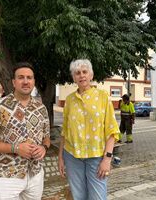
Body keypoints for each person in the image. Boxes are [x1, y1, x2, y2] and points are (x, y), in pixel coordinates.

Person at [0, 62, 50, 200]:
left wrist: (44, 148)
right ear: (13, 82)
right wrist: (15, 148)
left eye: (29, 78)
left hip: (35, 174)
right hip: (6, 176)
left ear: (34, 81)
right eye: (21, 77)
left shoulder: (41, 108)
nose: (25, 81)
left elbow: (46, 137)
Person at [58, 59, 120, 200]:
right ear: (74, 77)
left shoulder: (103, 97)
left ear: (91, 75)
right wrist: (61, 157)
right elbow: (65, 131)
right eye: (77, 73)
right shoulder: (69, 100)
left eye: (84, 72)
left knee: (97, 197)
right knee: (78, 196)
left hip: (96, 157)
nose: (81, 75)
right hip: (72, 156)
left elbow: (112, 130)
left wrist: (107, 159)